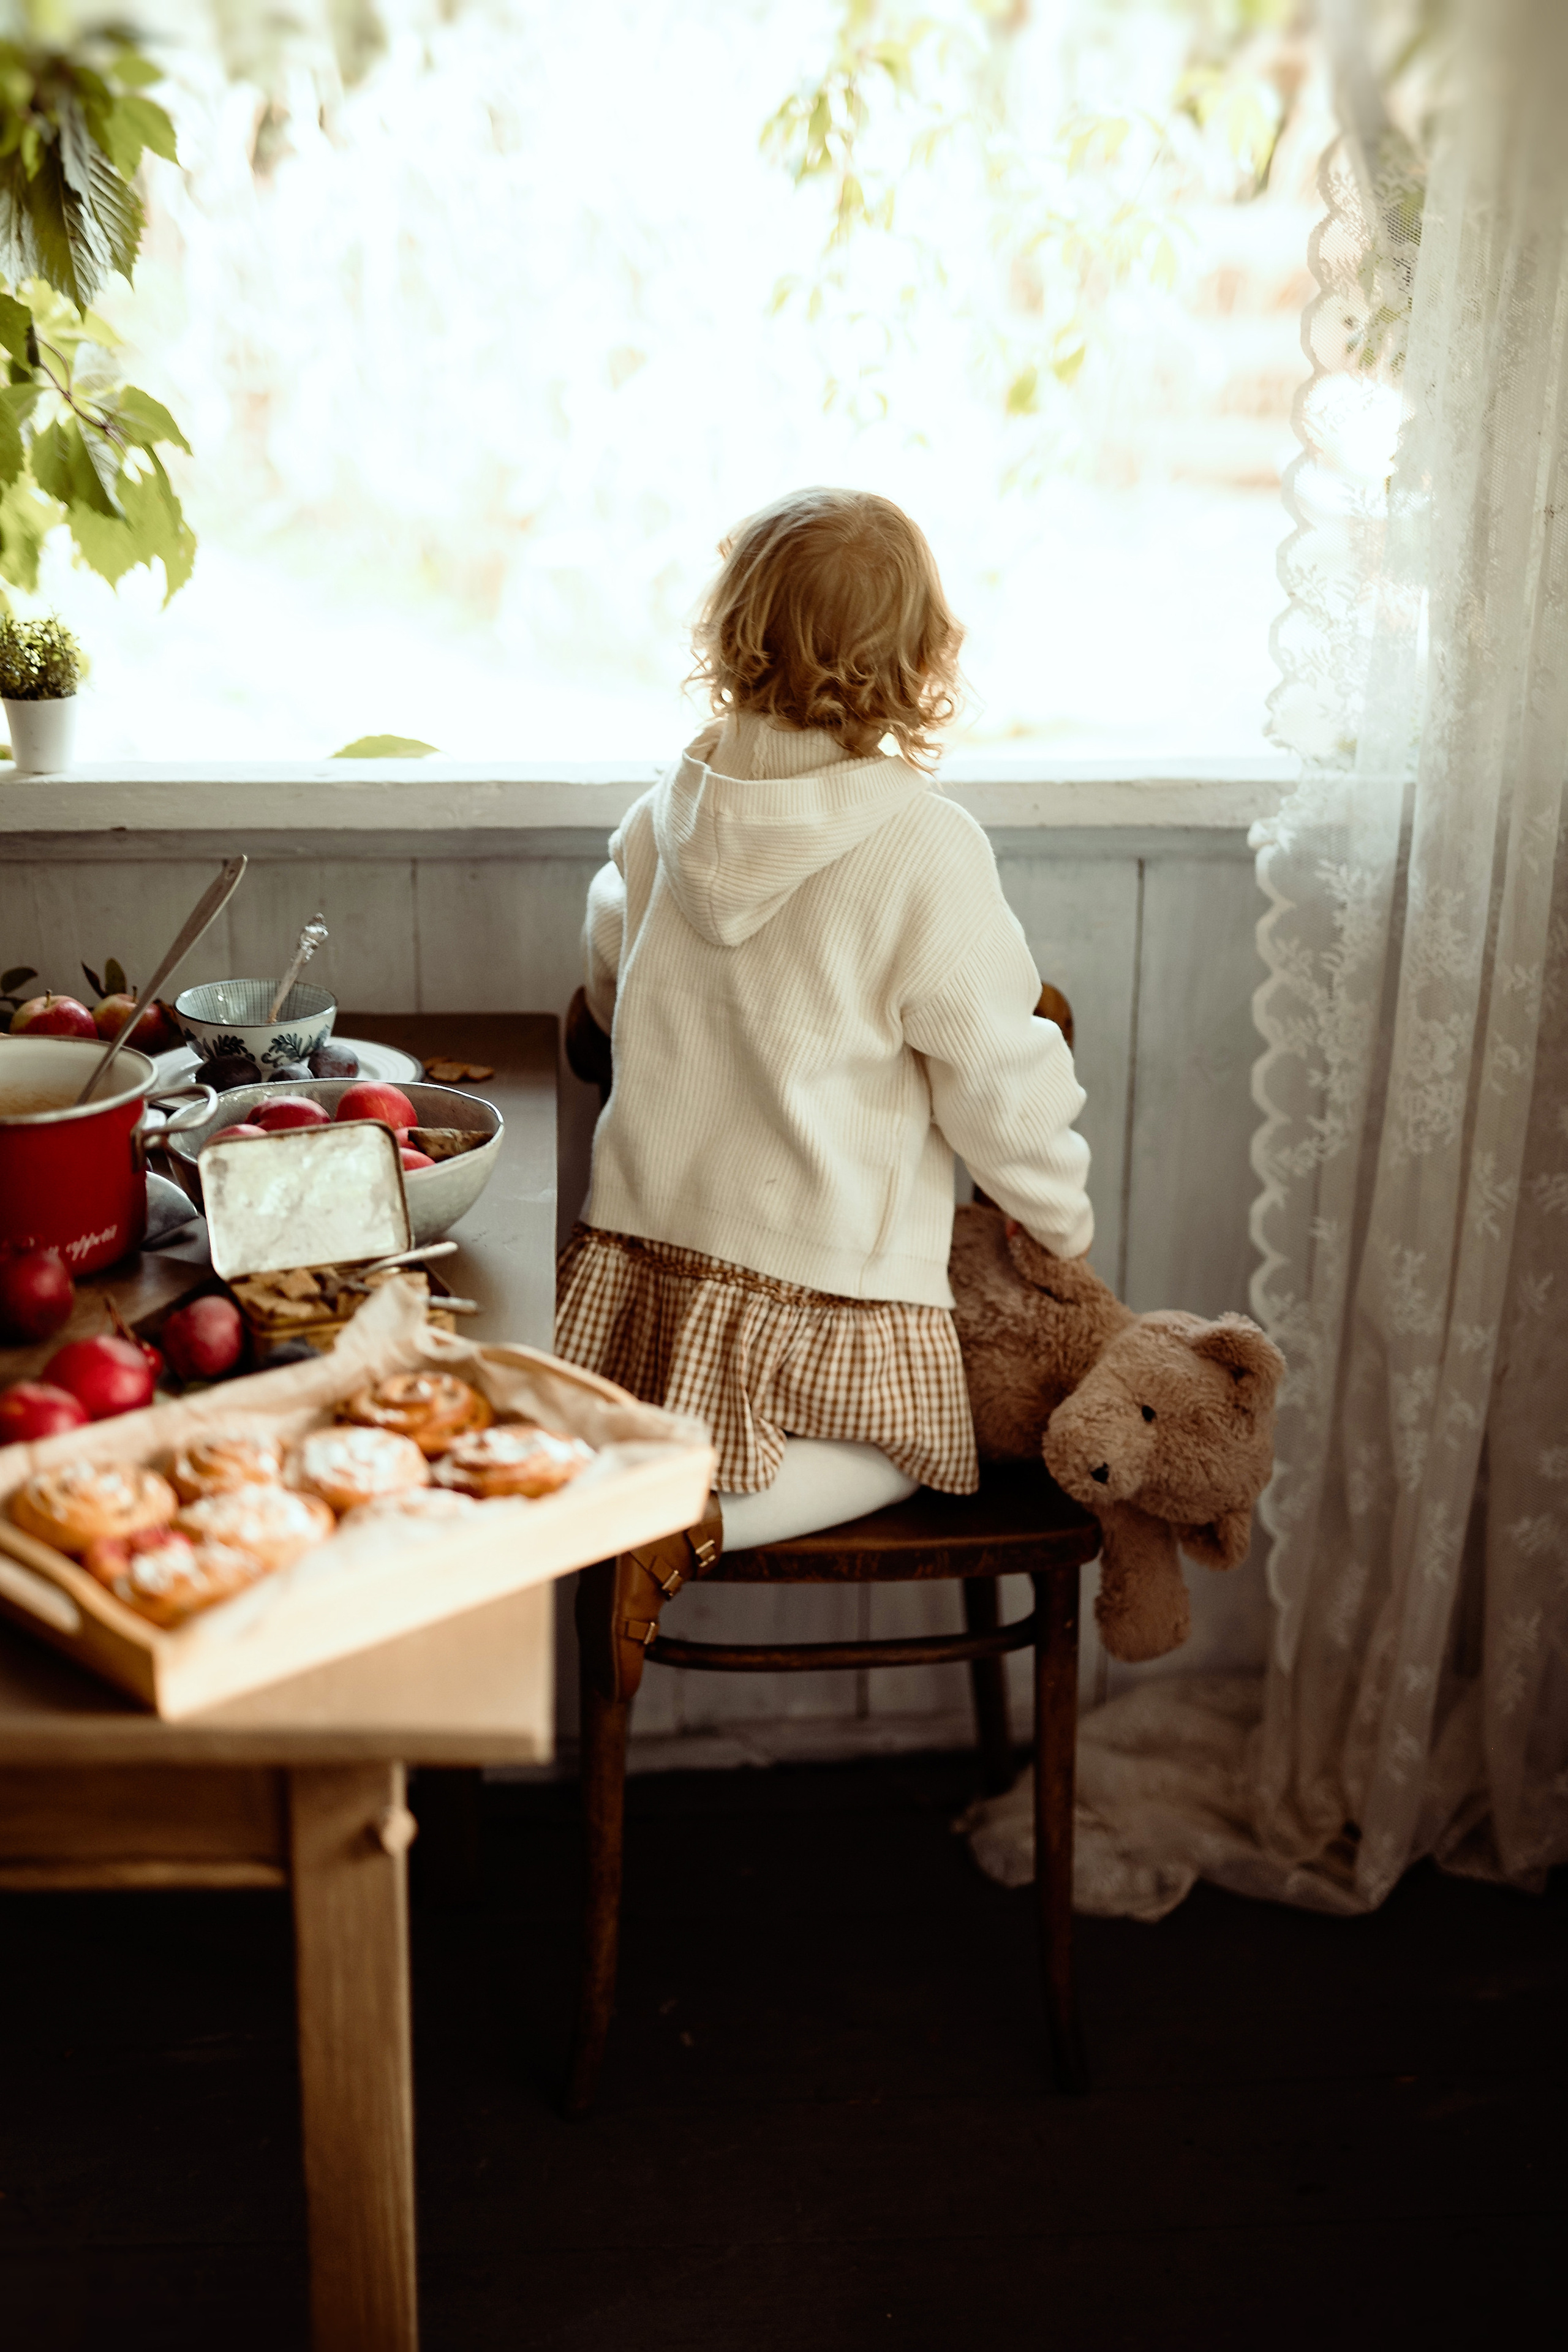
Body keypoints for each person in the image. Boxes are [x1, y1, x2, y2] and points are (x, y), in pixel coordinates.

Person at [557, 485, 1093, 1698]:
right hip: (830, 1287)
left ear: (731, 630)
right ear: (916, 662)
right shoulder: (924, 847)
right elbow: (998, 1079)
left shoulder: (667, 811)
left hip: (645, 1270)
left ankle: (644, 1487)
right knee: (919, 1447)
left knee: (737, 1421)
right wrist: (1059, 1221)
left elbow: (605, 979)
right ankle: (685, 1522)